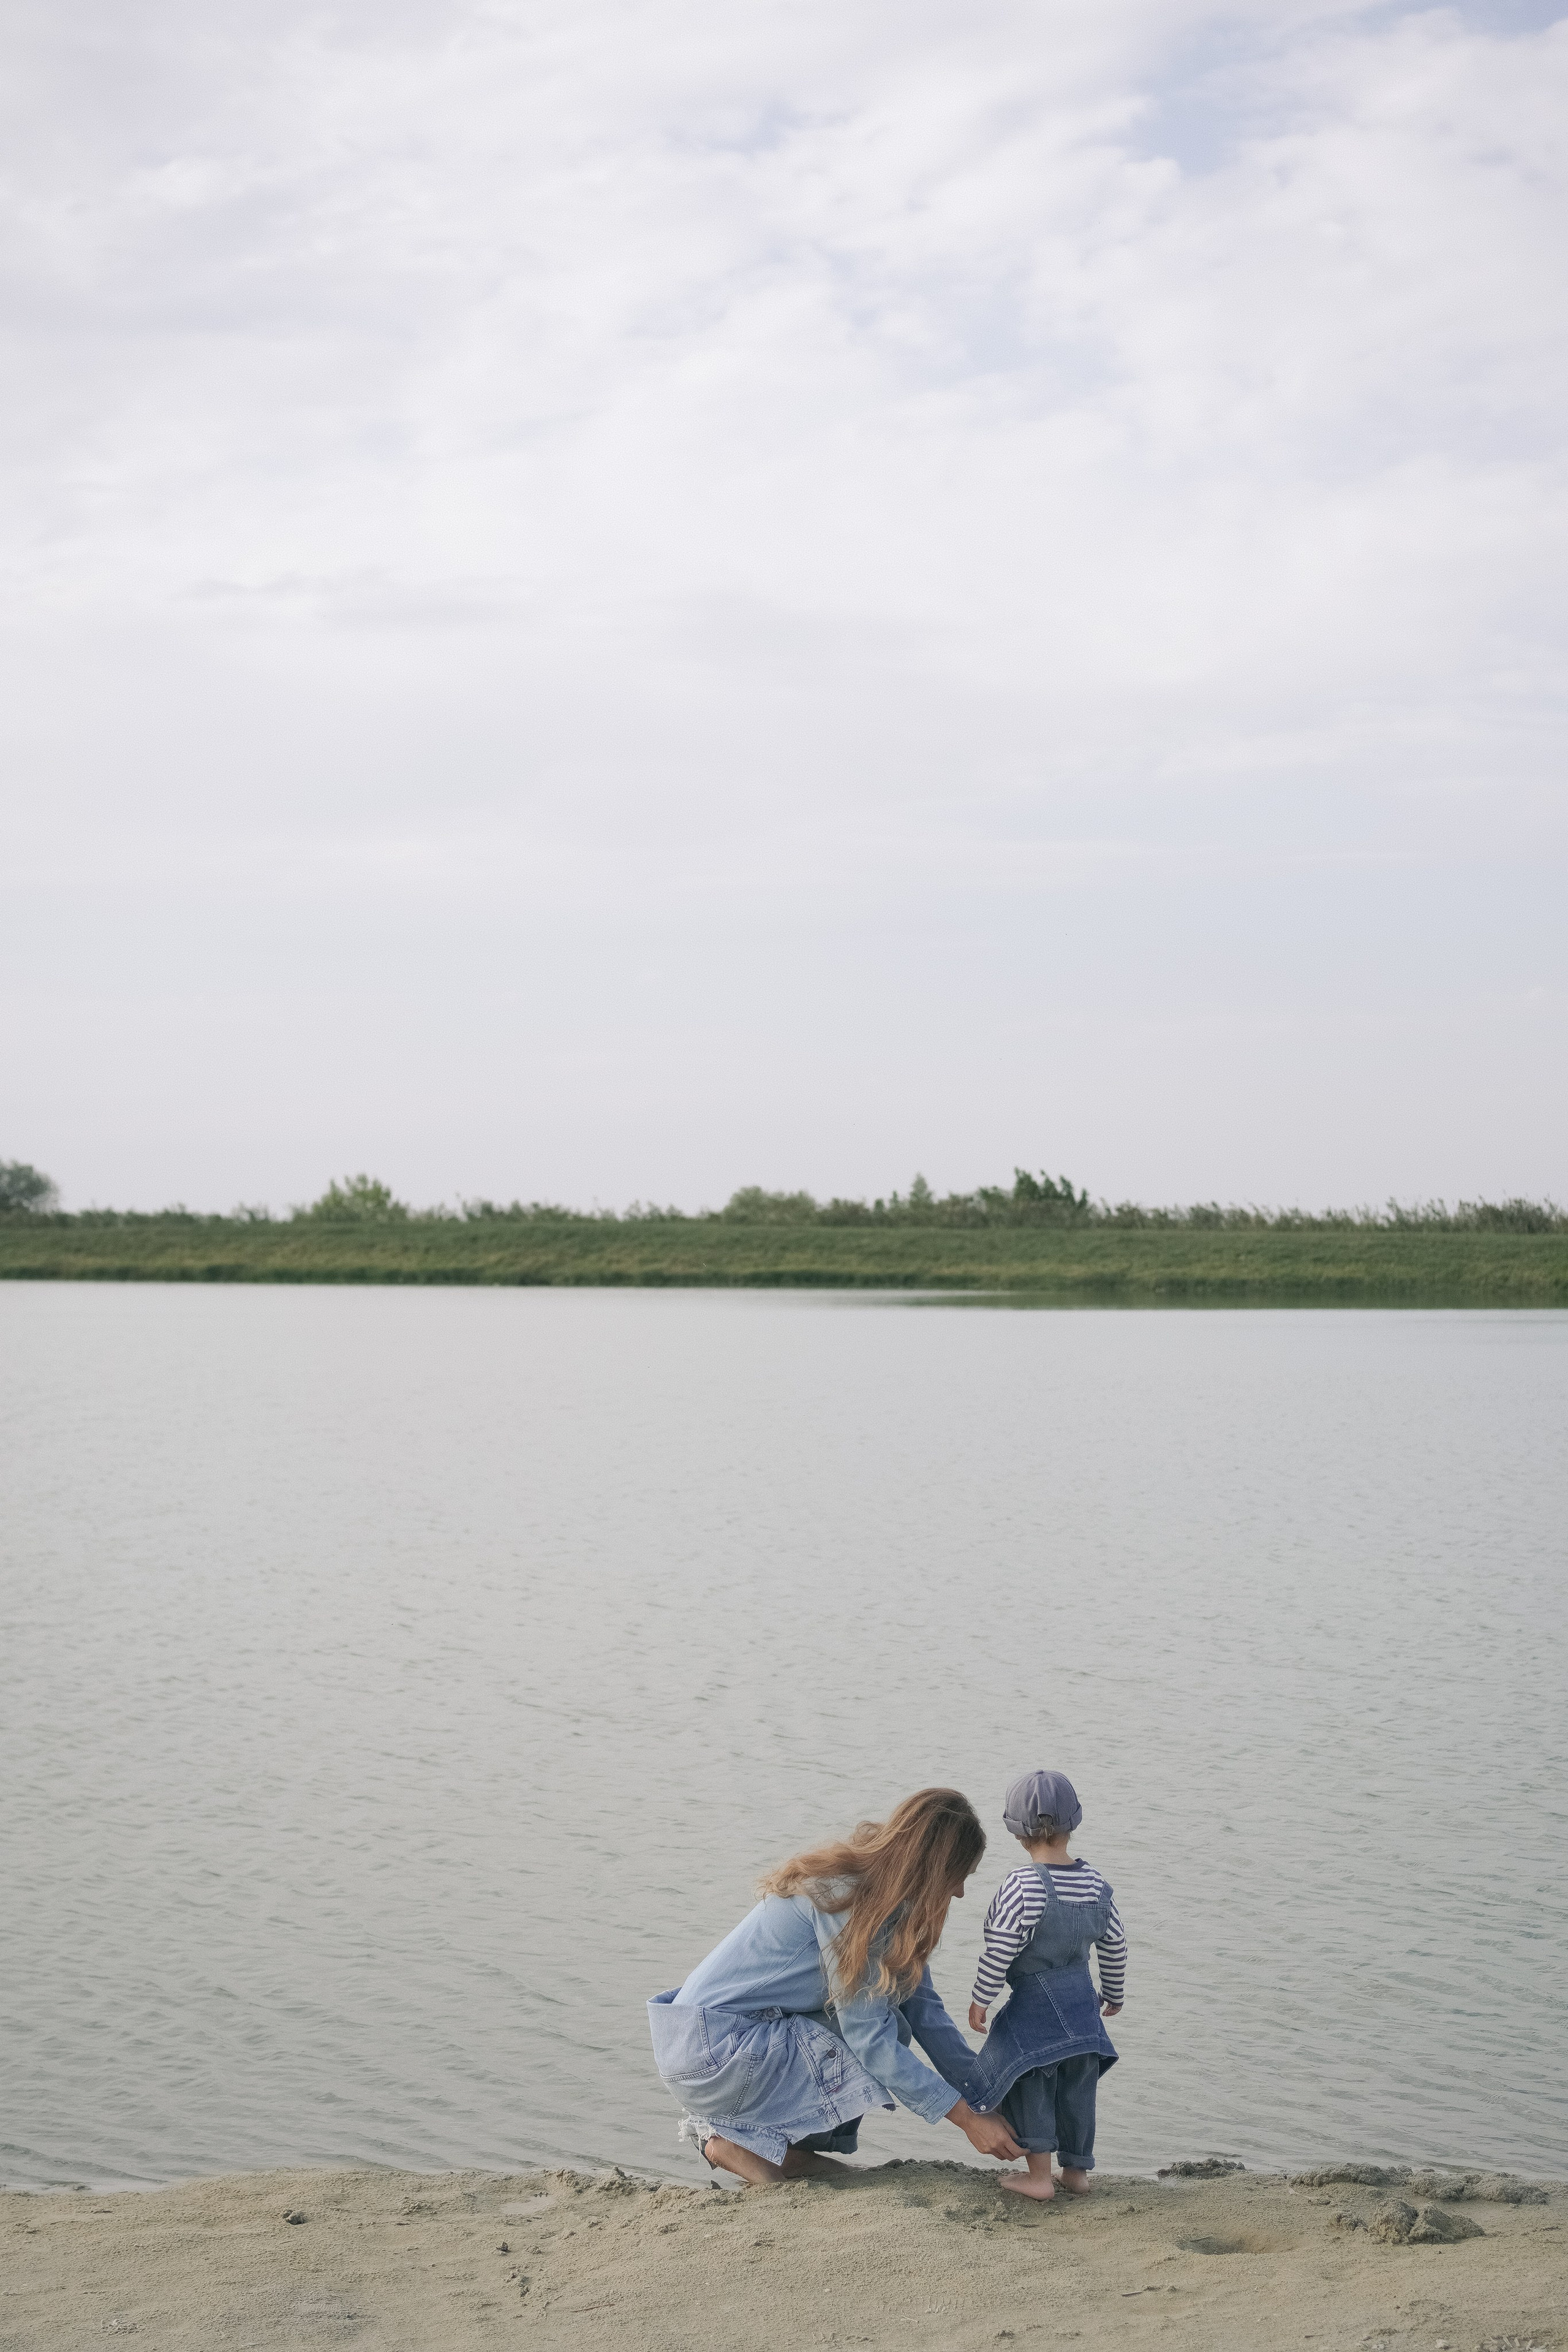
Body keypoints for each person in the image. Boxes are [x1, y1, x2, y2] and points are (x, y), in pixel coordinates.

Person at [647, 1787, 1026, 2185]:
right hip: (711, 2052)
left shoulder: (888, 1905)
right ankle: (734, 2142)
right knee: (883, 2031)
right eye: (958, 1877)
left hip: (711, 2041)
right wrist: (965, 2118)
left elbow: (927, 2013)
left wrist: (988, 2095)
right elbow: (869, 2040)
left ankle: (777, 2152)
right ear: (933, 1868)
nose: (960, 1892)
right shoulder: (847, 1899)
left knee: (896, 2020)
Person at [963, 1768, 1126, 2200]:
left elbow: (999, 1948)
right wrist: (1114, 1991)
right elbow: (1116, 1943)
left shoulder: (1022, 1886)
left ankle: (1039, 2177)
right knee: (1078, 2089)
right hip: (1083, 2007)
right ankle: (1076, 2172)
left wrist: (982, 1999)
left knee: (1033, 2080)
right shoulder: (1096, 1884)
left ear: (1016, 1832)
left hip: (1036, 2002)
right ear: (1074, 1823)